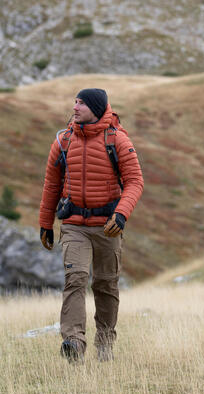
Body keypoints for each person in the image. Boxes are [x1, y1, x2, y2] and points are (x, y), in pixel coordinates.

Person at [38, 88, 144, 363]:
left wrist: (120, 215)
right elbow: (52, 184)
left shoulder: (117, 140)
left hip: (109, 225)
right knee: (76, 279)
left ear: (96, 108)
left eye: (81, 103)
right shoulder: (63, 140)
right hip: (74, 224)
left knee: (106, 285)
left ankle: (105, 342)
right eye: (74, 101)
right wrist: (45, 223)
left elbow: (135, 181)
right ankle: (73, 342)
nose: (74, 107)